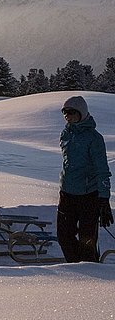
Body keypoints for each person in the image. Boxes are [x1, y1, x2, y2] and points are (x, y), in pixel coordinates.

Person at [57, 95, 113, 263]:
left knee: (87, 241)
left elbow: (102, 169)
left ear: (82, 113)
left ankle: (90, 271)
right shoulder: (66, 133)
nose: (68, 116)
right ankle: (76, 268)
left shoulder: (94, 138)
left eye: (72, 112)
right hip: (67, 193)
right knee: (64, 237)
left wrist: (104, 199)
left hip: (89, 195)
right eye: (65, 112)